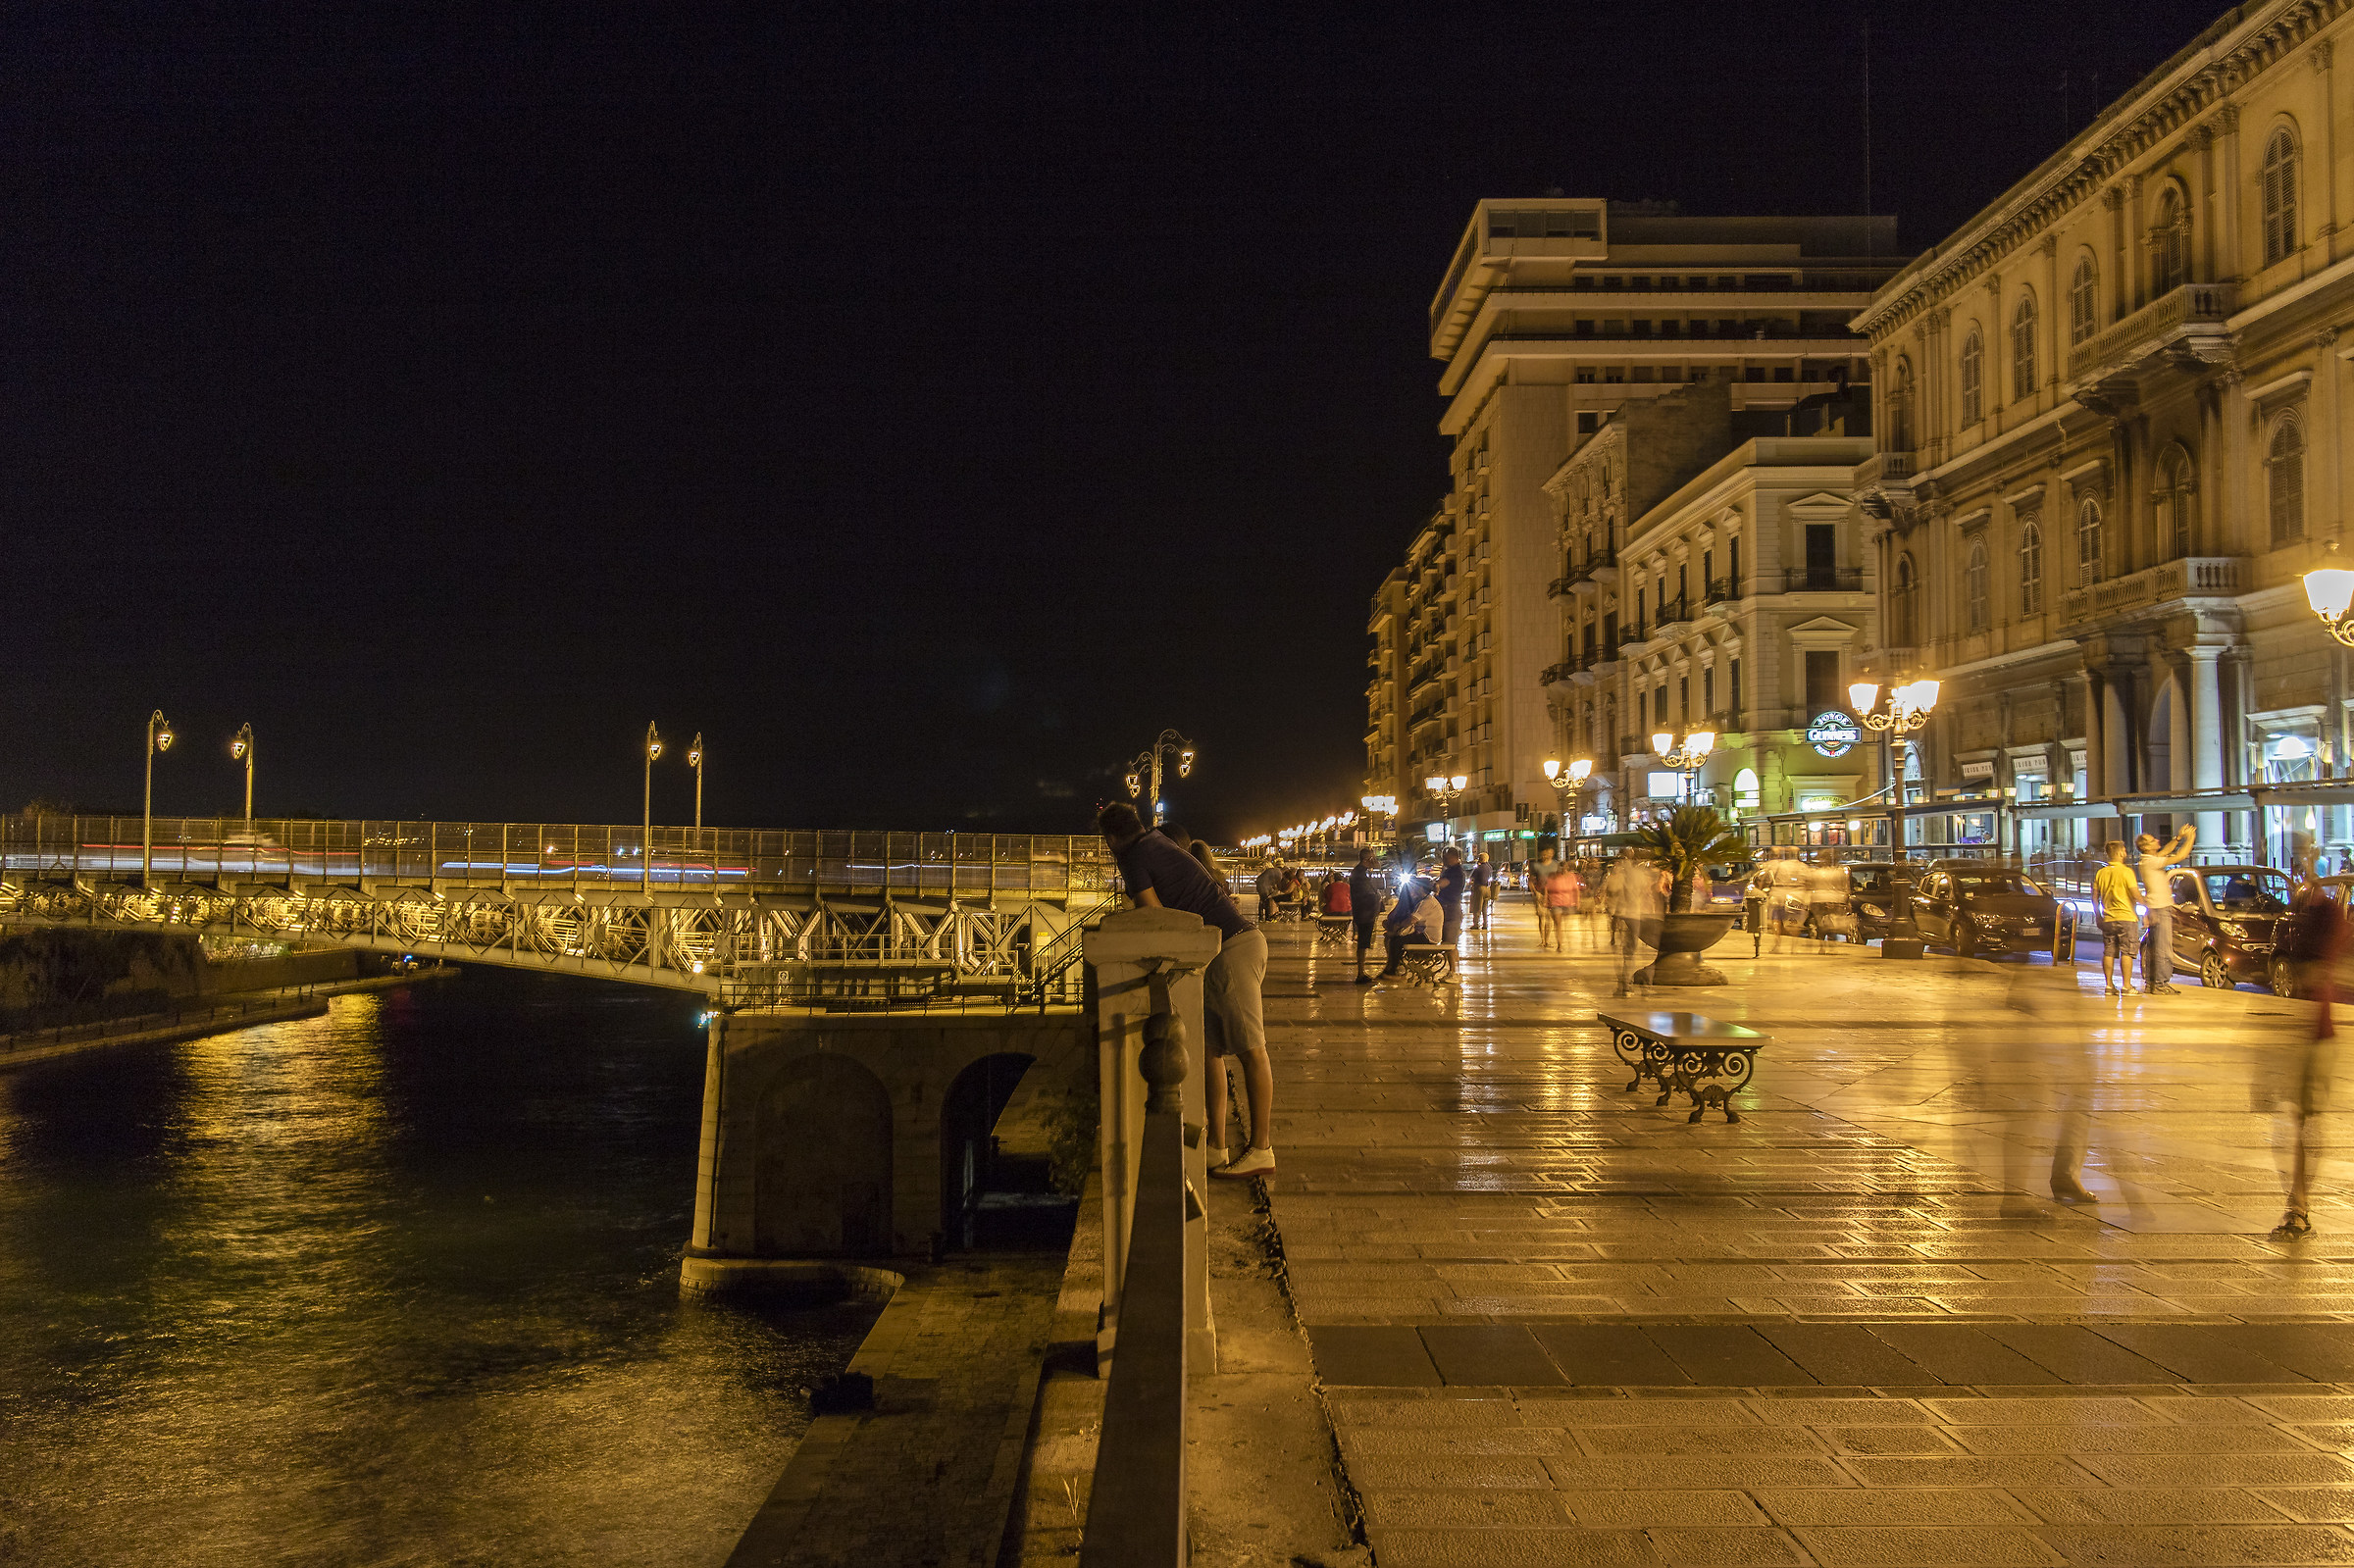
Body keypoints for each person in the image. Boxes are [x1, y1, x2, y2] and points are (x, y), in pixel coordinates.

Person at [1098, 802, 1275, 1178]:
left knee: (1250, 1051)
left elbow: (1156, 915)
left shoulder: (1132, 857)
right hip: (1228, 947)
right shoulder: (1157, 840)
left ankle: (1262, 1149)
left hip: (1232, 948)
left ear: (1112, 838)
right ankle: (1216, 1148)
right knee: (1210, 1051)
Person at [2262, 846, 2345, 1238]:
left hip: (2317, 1034)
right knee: (2294, 1125)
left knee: (2304, 1124)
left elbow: (2325, 961)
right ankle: (2296, 1204)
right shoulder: (2300, 915)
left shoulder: (2327, 912)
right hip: (2294, 1033)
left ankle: (2298, 1205)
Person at [2136, 823, 2196, 994]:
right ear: (2146, 847)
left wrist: (2178, 838)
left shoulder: (2148, 860)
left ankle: (2152, 984)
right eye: (2152, 840)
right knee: (2163, 948)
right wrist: (2190, 838)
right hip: (2160, 908)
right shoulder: (2151, 862)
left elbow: (2165, 851)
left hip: (2155, 908)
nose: (2156, 840)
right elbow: (2179, 856)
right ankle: (2161, 984)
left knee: (2155, 948)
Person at [1601, 849, 1664, 997]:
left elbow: (1616, 891)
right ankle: (1644, 984)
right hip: (1641, 915)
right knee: (1638, 952)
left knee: (1627, 953)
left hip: (1627, 915)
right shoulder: (1643, 875)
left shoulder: (1625, 874)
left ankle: (1626, 985)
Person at [2091, 840, 2142, 999]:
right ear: (2120, 853)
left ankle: (2109, 985)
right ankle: (2126, 986)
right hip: (2126, 917)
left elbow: (2094, 897)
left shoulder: (2101, 873)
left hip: (2108, 918)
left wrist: (2098, 915)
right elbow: (2135, 894)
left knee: (2109, 951)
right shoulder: (2126, 872)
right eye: (2125, 850)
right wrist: (2148, 902)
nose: (2126, 853)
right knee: (2127, 951)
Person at [1378, 861, 1443, 977]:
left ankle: (1393, 970)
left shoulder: (1427, 902)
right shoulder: (1424, 901)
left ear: (1421, 889)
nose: (1412, 890)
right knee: (1393, 938)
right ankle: (1393, 967)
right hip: (1423, 933)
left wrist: (1398, 927)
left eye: (1414, 887)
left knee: (1397, 941)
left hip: (1429, 937)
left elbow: (1412, 919)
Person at [1348, 847, 1385, 984]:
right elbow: (1376, 888)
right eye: (1372, 858)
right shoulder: (1360, 874)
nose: (1375, 860)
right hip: (1364, 912)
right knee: (1363, 943)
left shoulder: (1361, 872)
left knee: (1364, 943)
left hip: (1364, 911)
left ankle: (1361, 972)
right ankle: (1360, 973)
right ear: (1366, 859)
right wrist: (1378, 870)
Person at [1530, 846, 1565, 951]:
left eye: (1549, 853)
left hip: (1552, 895)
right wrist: (1534, 892)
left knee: (1549, 918)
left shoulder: (1556, 866)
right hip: (1540, 894)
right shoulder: (1536, 866)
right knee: (1542, 917)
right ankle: (1543, 940)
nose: (1546, 855)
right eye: (1545, 853)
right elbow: (1531, 880)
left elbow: (1560, 879)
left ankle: (1547, 940)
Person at [1434, 846, 1467, 946]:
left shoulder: (1455, 872)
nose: (1443, 860)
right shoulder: (1450, 870)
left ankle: (1454, 962)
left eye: (1445, 858)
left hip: (1451, 909)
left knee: (1449, 944)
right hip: (1448, 908)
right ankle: (1453, 962)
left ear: (1453, 857)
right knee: (1448, 944)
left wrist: (1433, 884)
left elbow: (1442, 883)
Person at [1470, 852, 1496, 931]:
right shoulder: (1489, 867)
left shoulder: (1479, 868)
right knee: (1485, 907)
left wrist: (1477, 864)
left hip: (1479, 888)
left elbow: (1472, 877)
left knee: (1477, 907)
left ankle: (1476, 924)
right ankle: (1485, 924)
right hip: (1487, 889)